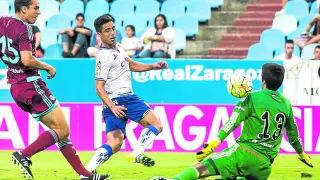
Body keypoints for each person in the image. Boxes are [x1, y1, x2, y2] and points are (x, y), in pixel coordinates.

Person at [0, 1, 108, 180]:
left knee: (59, 132)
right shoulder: (25, 28)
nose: (39, 12)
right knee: (63, 130)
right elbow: (27, 60)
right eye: (36, 8)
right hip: (30, 84)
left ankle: (85, 175)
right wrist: (47, 66)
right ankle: (24, 155)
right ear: (24, 8)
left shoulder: (3, 22)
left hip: (16, 86)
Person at [150, 63, 313, 180]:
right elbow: (293, 134)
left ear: (263, 81)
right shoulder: (286, 103)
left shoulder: (252, 97)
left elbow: (233, 121)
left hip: (244, 154)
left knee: (200, 169)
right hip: (265, 166)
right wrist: (301, 153)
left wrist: (214, 143)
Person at [85, 15, 168, 172]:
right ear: (99, 35)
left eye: (113, 28)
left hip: (112, 105)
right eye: (107, 30)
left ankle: (86, 171)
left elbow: (132, 65)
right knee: (156, 124)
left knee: (115, 142)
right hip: (123, 98)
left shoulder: (118, 47)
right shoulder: (103, 57)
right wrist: (113, 106)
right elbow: (98, 87)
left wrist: (153, 66)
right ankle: (137, 152)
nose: (112, 33)